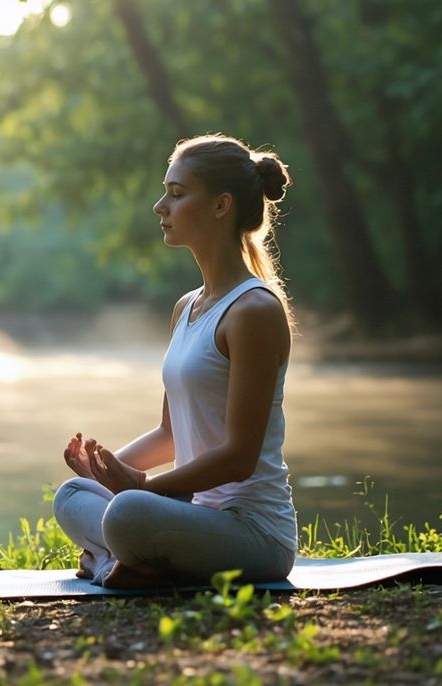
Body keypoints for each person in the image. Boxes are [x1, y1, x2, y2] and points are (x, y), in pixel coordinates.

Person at [53, 134, 298, 588]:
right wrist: (104, 473)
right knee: (72, 494)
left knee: (129, 512)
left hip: (254, 533)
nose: (159, 206)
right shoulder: (187, 308)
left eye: (176, 194)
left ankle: (115, 561)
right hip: (193, 516)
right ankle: (123, 564)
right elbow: (170, 433)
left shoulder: (254, 311)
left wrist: (139, 490)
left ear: (221, 205)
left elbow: (240, 458)